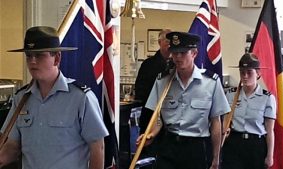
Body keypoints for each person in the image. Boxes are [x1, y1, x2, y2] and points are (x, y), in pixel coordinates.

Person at [0, 26, 109, 169]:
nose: (32, 61)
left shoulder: (81, 98)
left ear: (56, 58)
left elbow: (97, 147)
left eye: (39, 55)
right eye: (29, 55)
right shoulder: (21, 98)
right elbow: (13, 146)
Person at [137, 32, 230, 169]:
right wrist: (151, 134)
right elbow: (157, 117)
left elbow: (216, 123)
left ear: (194, 53)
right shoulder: (163, 81)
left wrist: (216, 158)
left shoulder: (211, 82)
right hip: (169, 145)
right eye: (174, 53)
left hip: (197, 148)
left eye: (183, 52)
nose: (178, 57)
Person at [221, 53, 276, 169]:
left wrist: (270, 155)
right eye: (242, 72)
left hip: (256, 146)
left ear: (258, 74)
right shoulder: (231, 94)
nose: (245, 76)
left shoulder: (267, 98)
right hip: (234, 144)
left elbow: (269, 130)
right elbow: (225, 123)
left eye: (249, 72)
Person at [134, 29, 172, 167]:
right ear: (159, 42)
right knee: (149, 158)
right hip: (150, 116)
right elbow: (140, 90)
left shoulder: (177, 66)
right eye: (166, 41)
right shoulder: (148, 65)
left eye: (171, 42)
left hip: (170, 123)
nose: (169, 45)